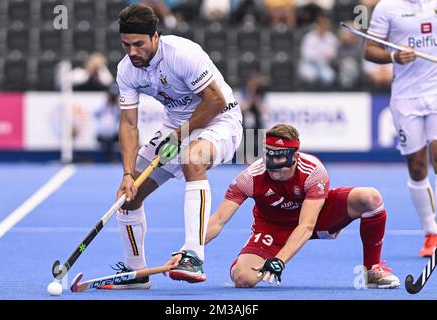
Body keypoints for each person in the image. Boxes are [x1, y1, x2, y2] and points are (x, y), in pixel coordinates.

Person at [109, 4, 243, 289]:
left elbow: (215, 101)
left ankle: (193, 255)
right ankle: (136, 274)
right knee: (128, 198)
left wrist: (180, 137)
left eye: (139, 44)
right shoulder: (126, 70)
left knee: (192, 160)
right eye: (126, 45)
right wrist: (127, 174)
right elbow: (129, 125)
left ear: (155, 37)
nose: (132, 51)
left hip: (220, 121)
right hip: (176, 128)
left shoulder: (182, 53)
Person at [206, 124, 400, 289]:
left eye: (280, 158)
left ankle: (373, 270)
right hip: (273, 227)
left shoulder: (313, 172)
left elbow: (306, 226)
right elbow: (218, 220)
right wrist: (190, 250)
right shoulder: (249, 178)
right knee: (243, 278)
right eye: (269, 156)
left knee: (370, 197)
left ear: (295, 156)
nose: (273, 165)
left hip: (313, 218)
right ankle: (244, 260)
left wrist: (279, 260)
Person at [364, 0, 437, 257]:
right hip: (406, 98)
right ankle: (431, 233)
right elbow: (370, 49)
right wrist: (394, 56)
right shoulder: (387, 7)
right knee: (417, 168)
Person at [94, 84, 120, 162]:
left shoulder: (118, 107)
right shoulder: (103, 106)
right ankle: (109, 158)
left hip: (114, 133)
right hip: (104, 133)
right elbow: (95, 113)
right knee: (107, 138)